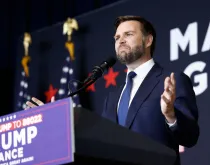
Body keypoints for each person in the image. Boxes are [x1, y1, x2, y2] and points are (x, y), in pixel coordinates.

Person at [26, 15, 199, 165]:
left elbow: (190, 137)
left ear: (148, 40)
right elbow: (99, 144)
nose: (120, 40)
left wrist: (170, 115)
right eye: (117, 37)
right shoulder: (113, 97)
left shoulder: (171, 80)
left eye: (128, 34)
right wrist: (52, 121)